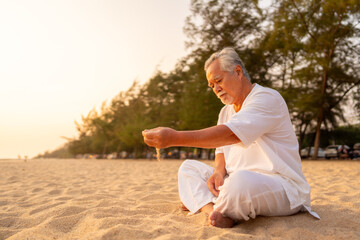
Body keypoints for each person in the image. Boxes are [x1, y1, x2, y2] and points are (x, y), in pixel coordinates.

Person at [142, 47, 319, 228]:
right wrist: (218, 172)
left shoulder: (267, 98)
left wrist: (173, 138)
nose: (216, 89)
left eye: (218, 81)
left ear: (237, 72)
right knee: (189, 169)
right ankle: (215, 212)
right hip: (233, 182)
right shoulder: (225, 111)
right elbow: (221, 151)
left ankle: (205, 203)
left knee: (240, 183)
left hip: (281, 187)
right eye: (212, 85)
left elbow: (230, 135)